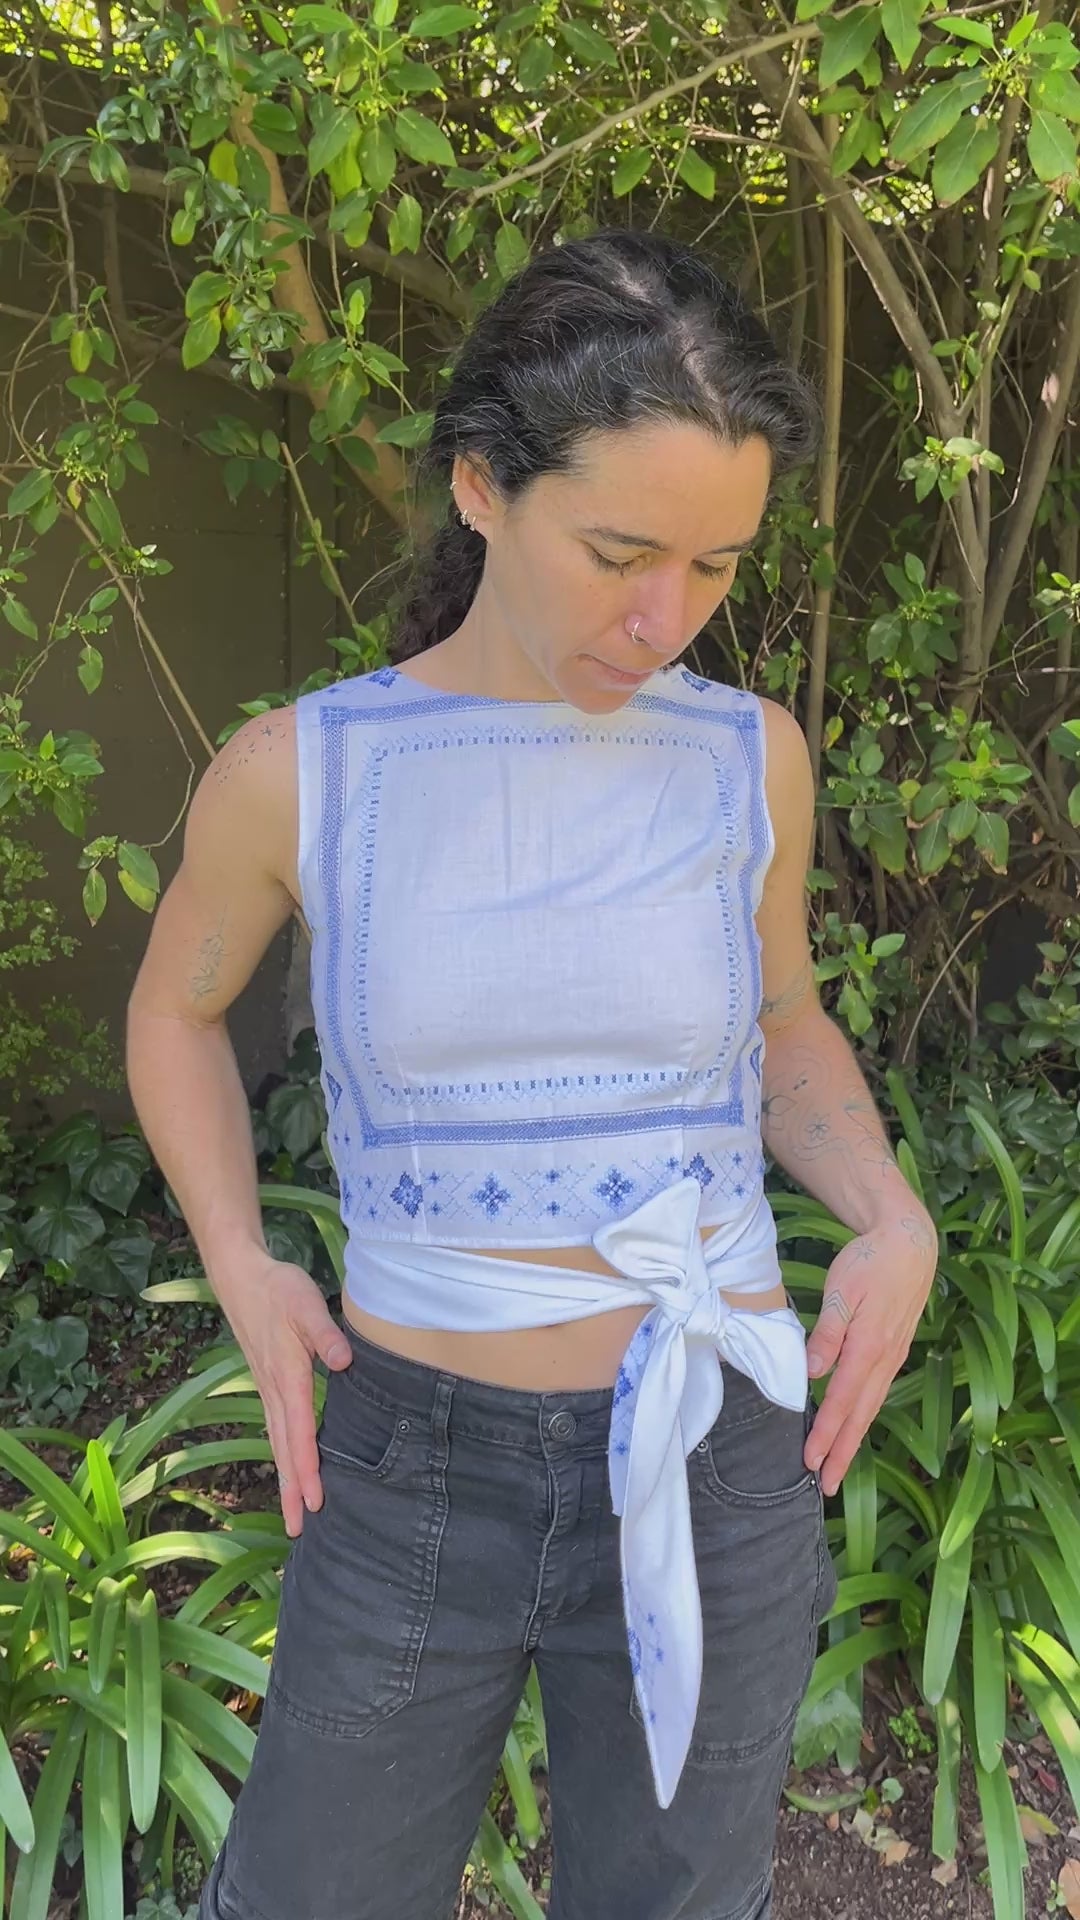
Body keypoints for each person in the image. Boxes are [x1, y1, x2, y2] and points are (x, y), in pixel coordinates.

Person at [127, 228, 938, 1920]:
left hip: (713, 1452)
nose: (665, 619)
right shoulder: (306, 774)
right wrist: (241, 1259)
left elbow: (785, 1023)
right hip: (416, 1464)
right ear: (482, 486)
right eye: (620, 553)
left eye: (715, 567)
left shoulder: (750, 760)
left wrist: (887, 1211)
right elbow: (176, 1012)